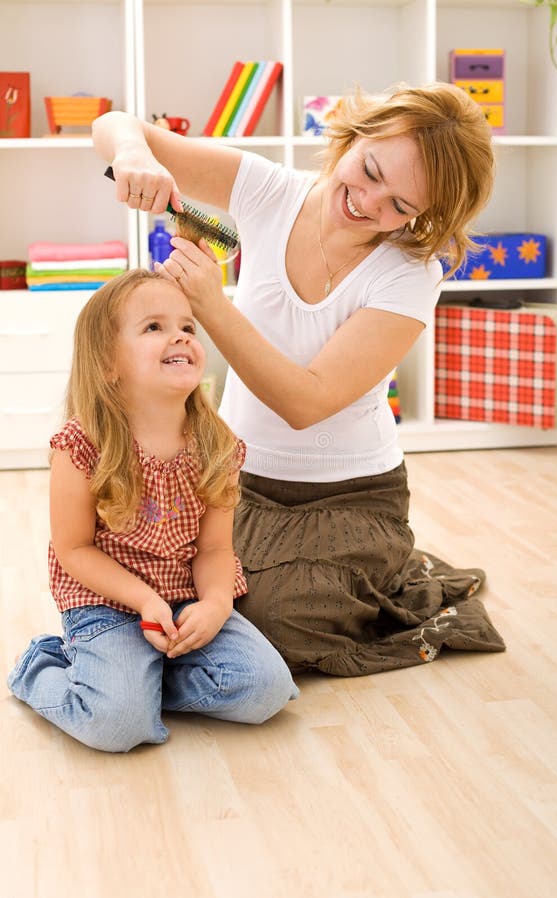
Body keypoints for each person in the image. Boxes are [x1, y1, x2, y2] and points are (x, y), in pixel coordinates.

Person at [91, 82, 506, 677]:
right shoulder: (269, 192)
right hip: (235, 481)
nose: (368, 202)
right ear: (357, 132)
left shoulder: (410, 275)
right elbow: (113, 123)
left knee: (275, 625)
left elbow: (305, 402)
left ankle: (387, 569)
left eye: (400, 206)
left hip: (346, 496)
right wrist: (133, 156)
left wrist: (212, 304)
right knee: (147, 576)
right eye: (368, 170)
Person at [7, 269, 299, 751]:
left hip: (185, 600)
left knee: (266, 689)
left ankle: (136, 687)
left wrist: (215, 604)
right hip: (108, 604)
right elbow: (74, 549)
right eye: (153, 327)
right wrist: (144, 601)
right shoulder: (81, 446)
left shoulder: (217, 444)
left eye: (187, 326)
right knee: (115, 729)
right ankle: (41, 667)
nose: (180, 335)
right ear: (107, 364)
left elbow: (215, 548)